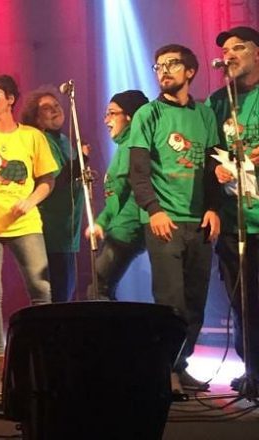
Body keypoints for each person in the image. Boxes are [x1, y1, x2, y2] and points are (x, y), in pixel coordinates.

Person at [128, 44, 221, 394]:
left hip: (199, 222)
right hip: (165, 221)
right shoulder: (148, 114)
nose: (164, 70)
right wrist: (154, 210)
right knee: (171, 302)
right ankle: (165, 370)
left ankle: (181, 364)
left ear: (190, 71)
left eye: (172, 64)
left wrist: (213, 207)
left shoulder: (204, 115)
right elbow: (138, 171)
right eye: (159, 65)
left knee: (196, 301)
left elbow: (213, 165)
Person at [0, 75, 56, 386]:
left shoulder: (32, 136)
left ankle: (42, 357)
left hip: (26, 224)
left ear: (10, 99)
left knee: (41, 291)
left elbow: (47, 180)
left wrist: (30, 201)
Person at [205, 26, 259, 393]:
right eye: (226, 50)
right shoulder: (217, 102)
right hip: (233, 220)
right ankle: (252, 370)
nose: (230, 55)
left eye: (239, 47)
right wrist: (217, 167)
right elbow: (208, 151)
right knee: (242, 302)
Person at [21, 88, 84, 303]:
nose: (55, 110)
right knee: (59, 291)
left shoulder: (63, 138)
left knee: (67, 288)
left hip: (69, 229)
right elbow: (55, 179)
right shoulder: (43, 140)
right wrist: (81, 162)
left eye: (56, 105)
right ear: (36, 118)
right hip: (53, 229)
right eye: (47, 108)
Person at [86, 90, 149, 301]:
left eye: (112, 113)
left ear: (130, 116)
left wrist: (101, 222)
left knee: (98, 288)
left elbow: (119, 191)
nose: (106, 120)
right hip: (123, 227)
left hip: (127, 229)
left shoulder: (131, 145)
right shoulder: (126, 144)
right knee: (104, 288)